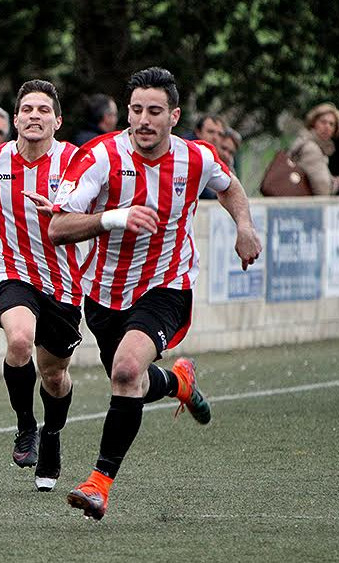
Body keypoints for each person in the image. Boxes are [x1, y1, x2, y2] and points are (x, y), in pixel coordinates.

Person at [31, 67, 262, 520]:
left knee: (126, 369)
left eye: (154, 111)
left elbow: (229, 185)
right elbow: (58, 228)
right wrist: (115, 217)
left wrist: (245, 226)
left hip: (167, 285)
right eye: (136, 109)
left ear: (173, 116)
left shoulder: (195, 158)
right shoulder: (100, 156)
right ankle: (179, 382)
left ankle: (98, 484)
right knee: (130, 382)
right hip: (103, 293)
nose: (143, 120)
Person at [0, 79, 83, 492]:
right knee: (19, 342)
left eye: (43, 110)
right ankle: (26, 428)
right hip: (11, 270)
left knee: (54, 376)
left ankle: (52, 434)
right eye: (27, 110)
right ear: (16, 119)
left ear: (57, 120)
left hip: (65, 281)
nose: (34, 116)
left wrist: (67, 210)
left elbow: (102, 203)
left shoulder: (76, 161)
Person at [289, 102, 339, 196]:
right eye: (323, 122)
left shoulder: (306, 141)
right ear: (313, 123)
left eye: (331, 124)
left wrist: (332, 180)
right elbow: (322, 189)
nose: (327, 127)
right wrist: (337, 185)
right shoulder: (312, 149)